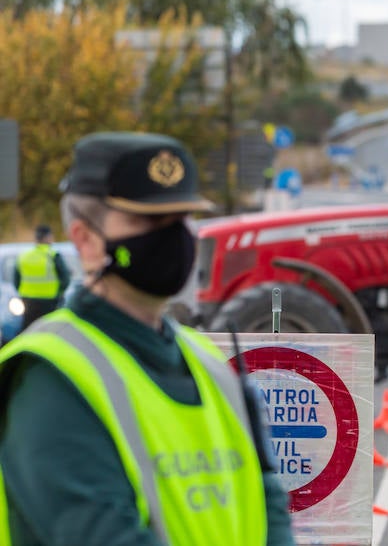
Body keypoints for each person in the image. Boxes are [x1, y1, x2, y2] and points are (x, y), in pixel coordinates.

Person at [0, 132, 294, 545]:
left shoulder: (208, 363)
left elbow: (269, 505)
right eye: (147, 221)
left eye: (181, 219)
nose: (173, 238)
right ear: (85, 240)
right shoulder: (51, 379)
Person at [12, 225, 70, 331]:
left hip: (28, 303)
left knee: (29, 331)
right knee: (51, 332)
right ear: (47, 237)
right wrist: (59, 292)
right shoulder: (53, 255)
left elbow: (16, 281)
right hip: (50, 303)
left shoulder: (23, 256)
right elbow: (65, 280)